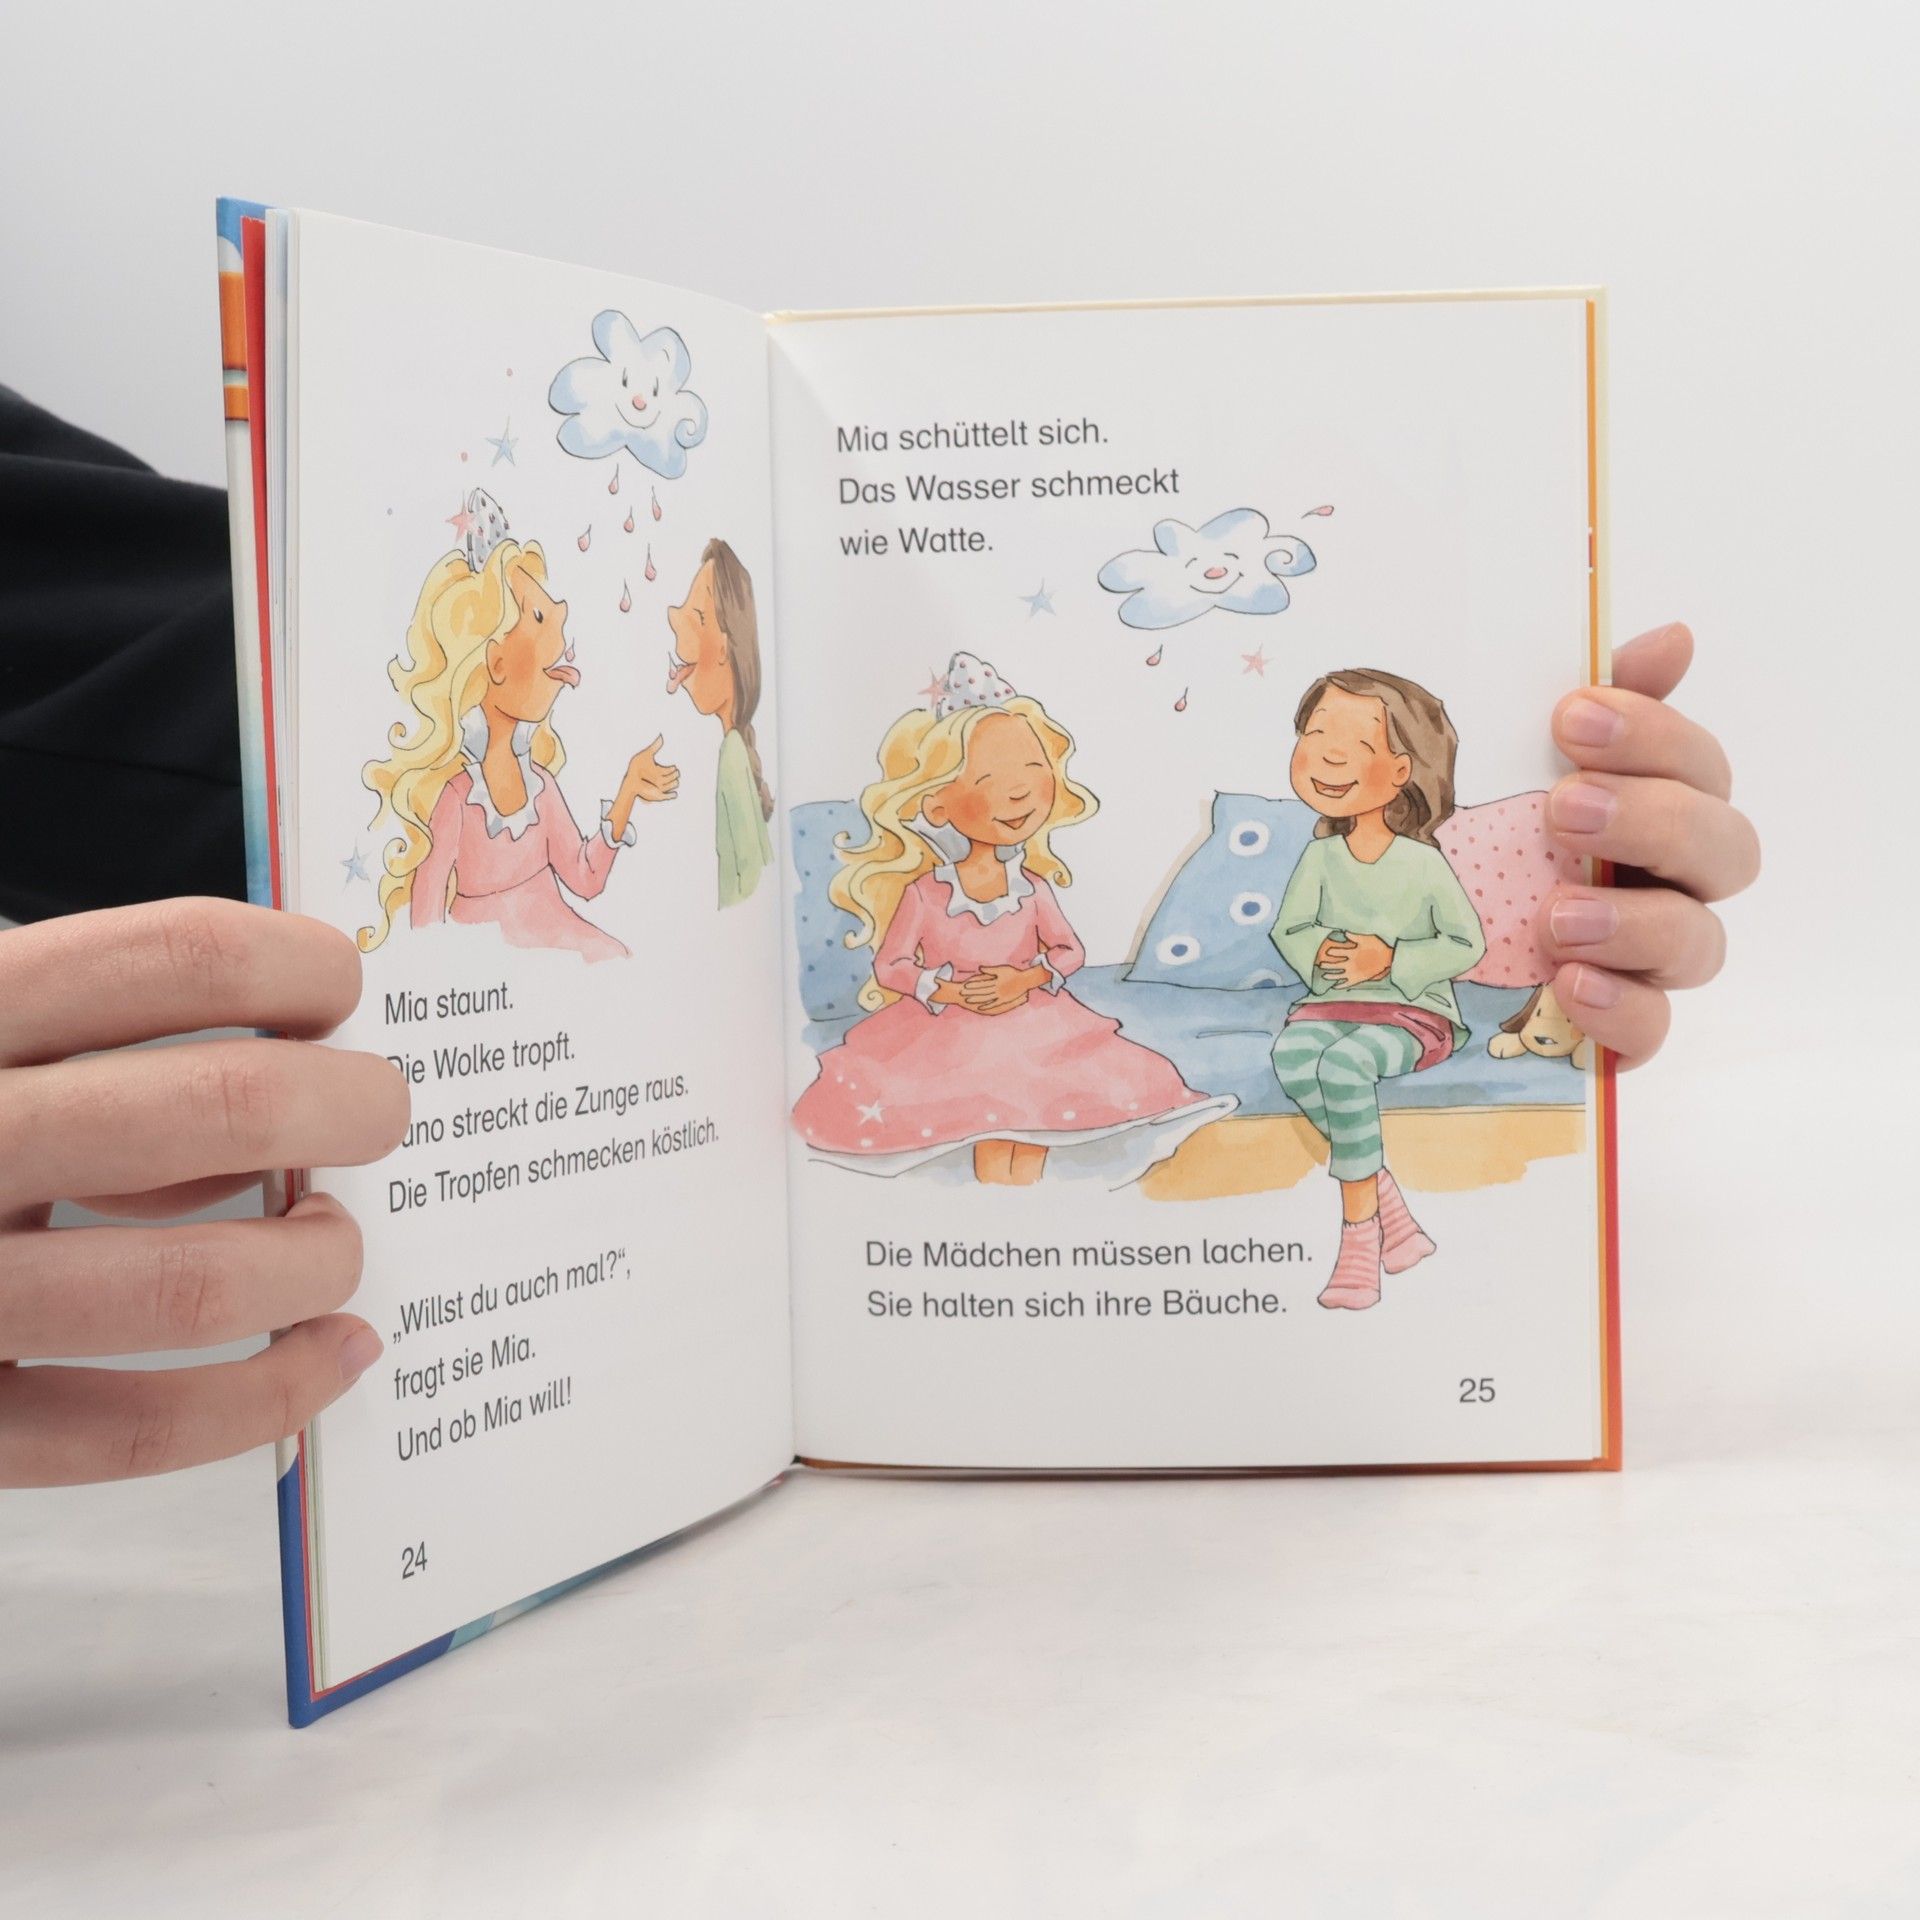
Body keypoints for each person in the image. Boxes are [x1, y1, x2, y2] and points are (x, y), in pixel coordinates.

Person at [0, 394, 1761, 1485]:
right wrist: (942, 967)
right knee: (945, 1075)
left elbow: (141, 624)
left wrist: (1525, 865)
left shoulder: (1395, 866)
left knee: (1104, 1061)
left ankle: (1353, 1223)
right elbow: (947, 959)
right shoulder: (960, 873)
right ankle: (1352, 1216)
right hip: (563, 1138)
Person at [791, 651, 1231, 1186]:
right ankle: (998, 1206)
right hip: (948, 1031)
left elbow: (1069, 951)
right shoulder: (926, 893)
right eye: (990, 777)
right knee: (989, 1123)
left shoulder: (1032, 887)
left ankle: (1025, 1204)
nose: (1020, 790)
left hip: (1035, 1021)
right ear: (937, 805)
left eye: (1032, 770)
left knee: (1036, 1120)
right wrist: (949, 992)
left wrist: (1024, 979)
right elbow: (892, 966)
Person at [1268, 669, 1485, 1310]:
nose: (1329, 756)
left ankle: (1359, 1239)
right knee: (1291, 1055)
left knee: (1345, 1066)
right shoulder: (1319, 858)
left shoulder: (1423, 863)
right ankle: (1390, 1203)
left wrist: (1388, 959)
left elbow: (1465, 944)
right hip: (1330, 1002)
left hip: (1415, 1014)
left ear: (1401, 771)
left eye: (1356, 745)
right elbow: (1289, 929)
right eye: (1315, 735)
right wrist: (1328, 956)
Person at [664, 538, 773, 907]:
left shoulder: (733, 756)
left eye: (698, 618)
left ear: (725, 648)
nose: (677, 619)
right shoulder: (736, 750)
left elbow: (748, 881)